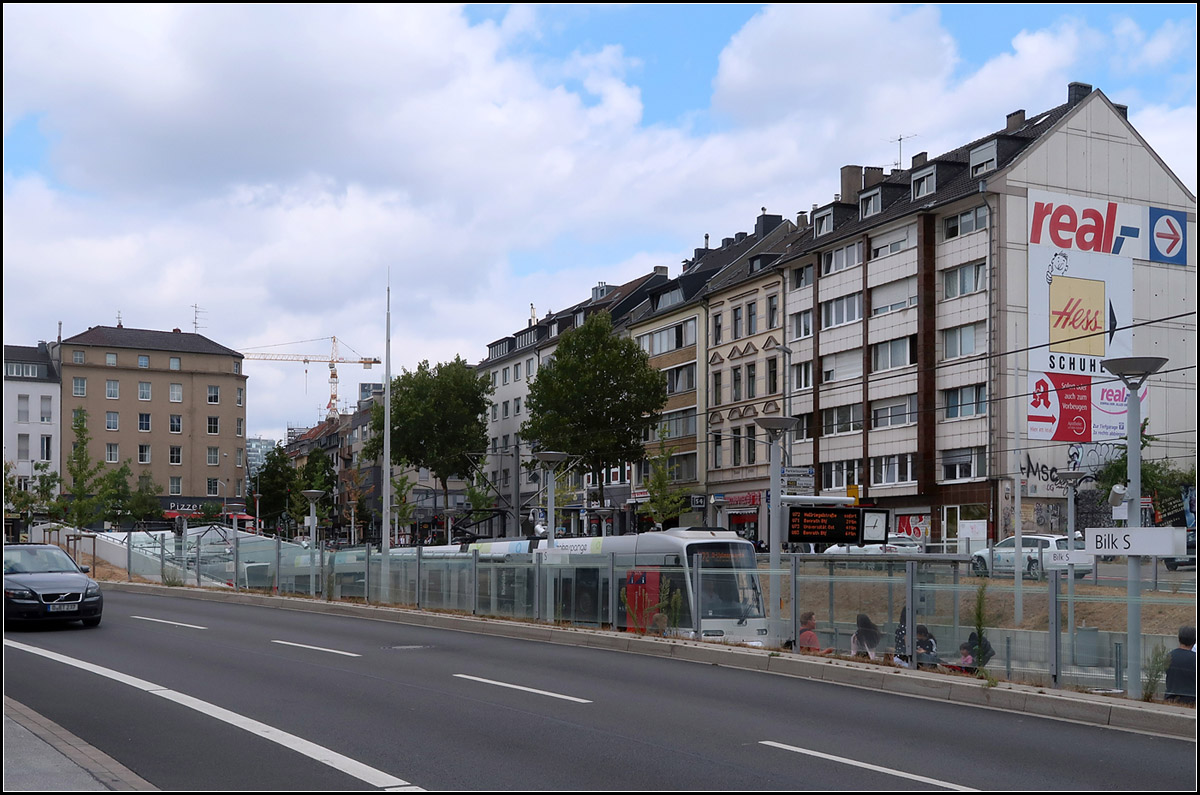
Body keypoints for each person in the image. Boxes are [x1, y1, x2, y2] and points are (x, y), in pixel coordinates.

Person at [1165, 626, 1196, 705]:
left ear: (1179, 639)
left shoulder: (1169, 656)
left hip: (1170, 700)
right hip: (1191, 702)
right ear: (1194, 641)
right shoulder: (1194, 659)